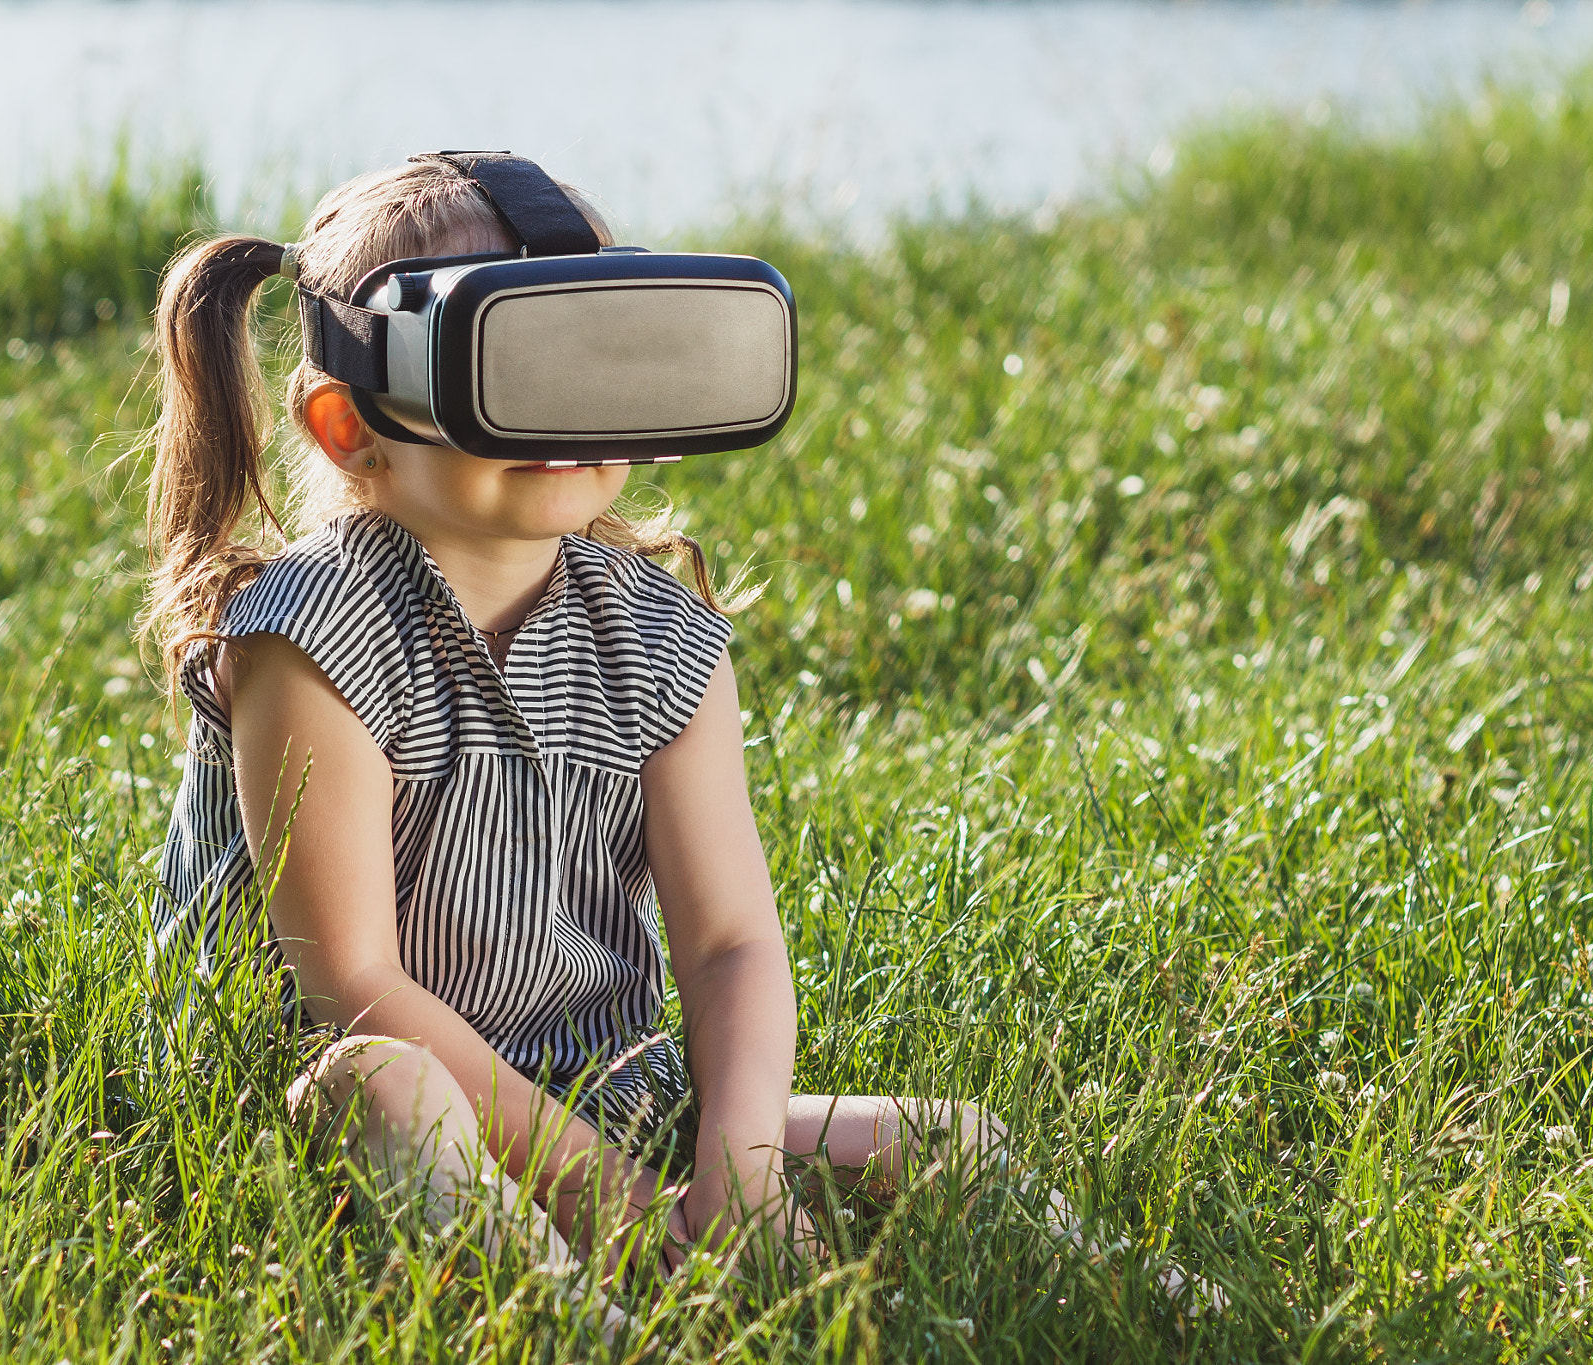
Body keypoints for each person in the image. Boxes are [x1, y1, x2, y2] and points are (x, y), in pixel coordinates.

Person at [141, 154, 1013, 1291]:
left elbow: (728, 942)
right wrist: (604, 1191)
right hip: (342, 1093)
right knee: (387, 1088)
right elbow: (350, 980)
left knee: (953, 1138)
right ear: (352, 426)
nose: (568, 409)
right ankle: (580, 1319)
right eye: (514, 367)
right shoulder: (307, 636)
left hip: (599, 1086)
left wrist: (737, 1162)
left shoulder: (661, 639)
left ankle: (1144, 1308)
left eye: (597, 355)